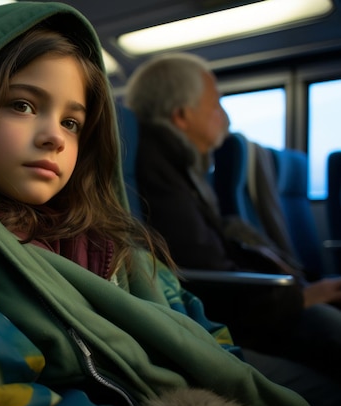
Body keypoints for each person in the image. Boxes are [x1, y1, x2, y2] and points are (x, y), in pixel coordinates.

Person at [0, 3, 318, 406]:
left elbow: (205, 335)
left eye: (73, 122)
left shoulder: (112, 243)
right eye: (22, 105)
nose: (53, 136)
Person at [125, 52, 341, 384]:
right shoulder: (157, 161)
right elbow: (201, 267)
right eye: (216, 105)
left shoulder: (183, 162)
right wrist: (299, 296)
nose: (225, 117)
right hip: (222, 317)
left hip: (243, 307)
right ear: (182, 116)